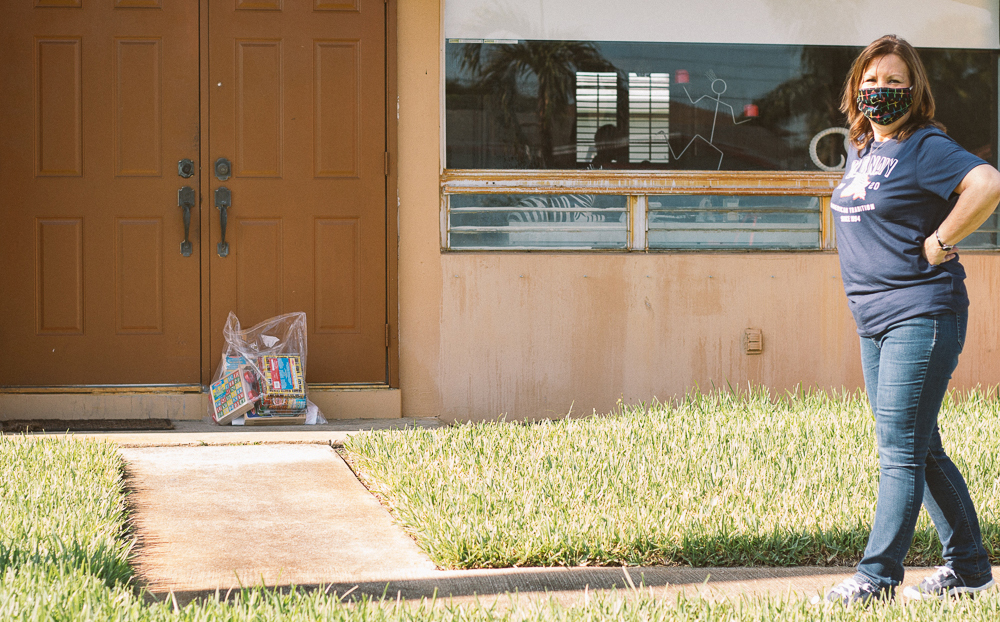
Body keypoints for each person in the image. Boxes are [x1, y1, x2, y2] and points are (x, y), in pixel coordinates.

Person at [821, 34, 1000, 605]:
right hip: (873, 318)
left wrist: (941, 239)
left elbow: (987, 183)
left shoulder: (924, 146)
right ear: (855, 90)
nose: (880, 92)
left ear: (914, 89)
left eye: (894, 82)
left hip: (920, 313)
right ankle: (970, 571)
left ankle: (876, 577)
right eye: (870, 83)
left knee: (898, 449)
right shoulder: (863, 150)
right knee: (920, 448)